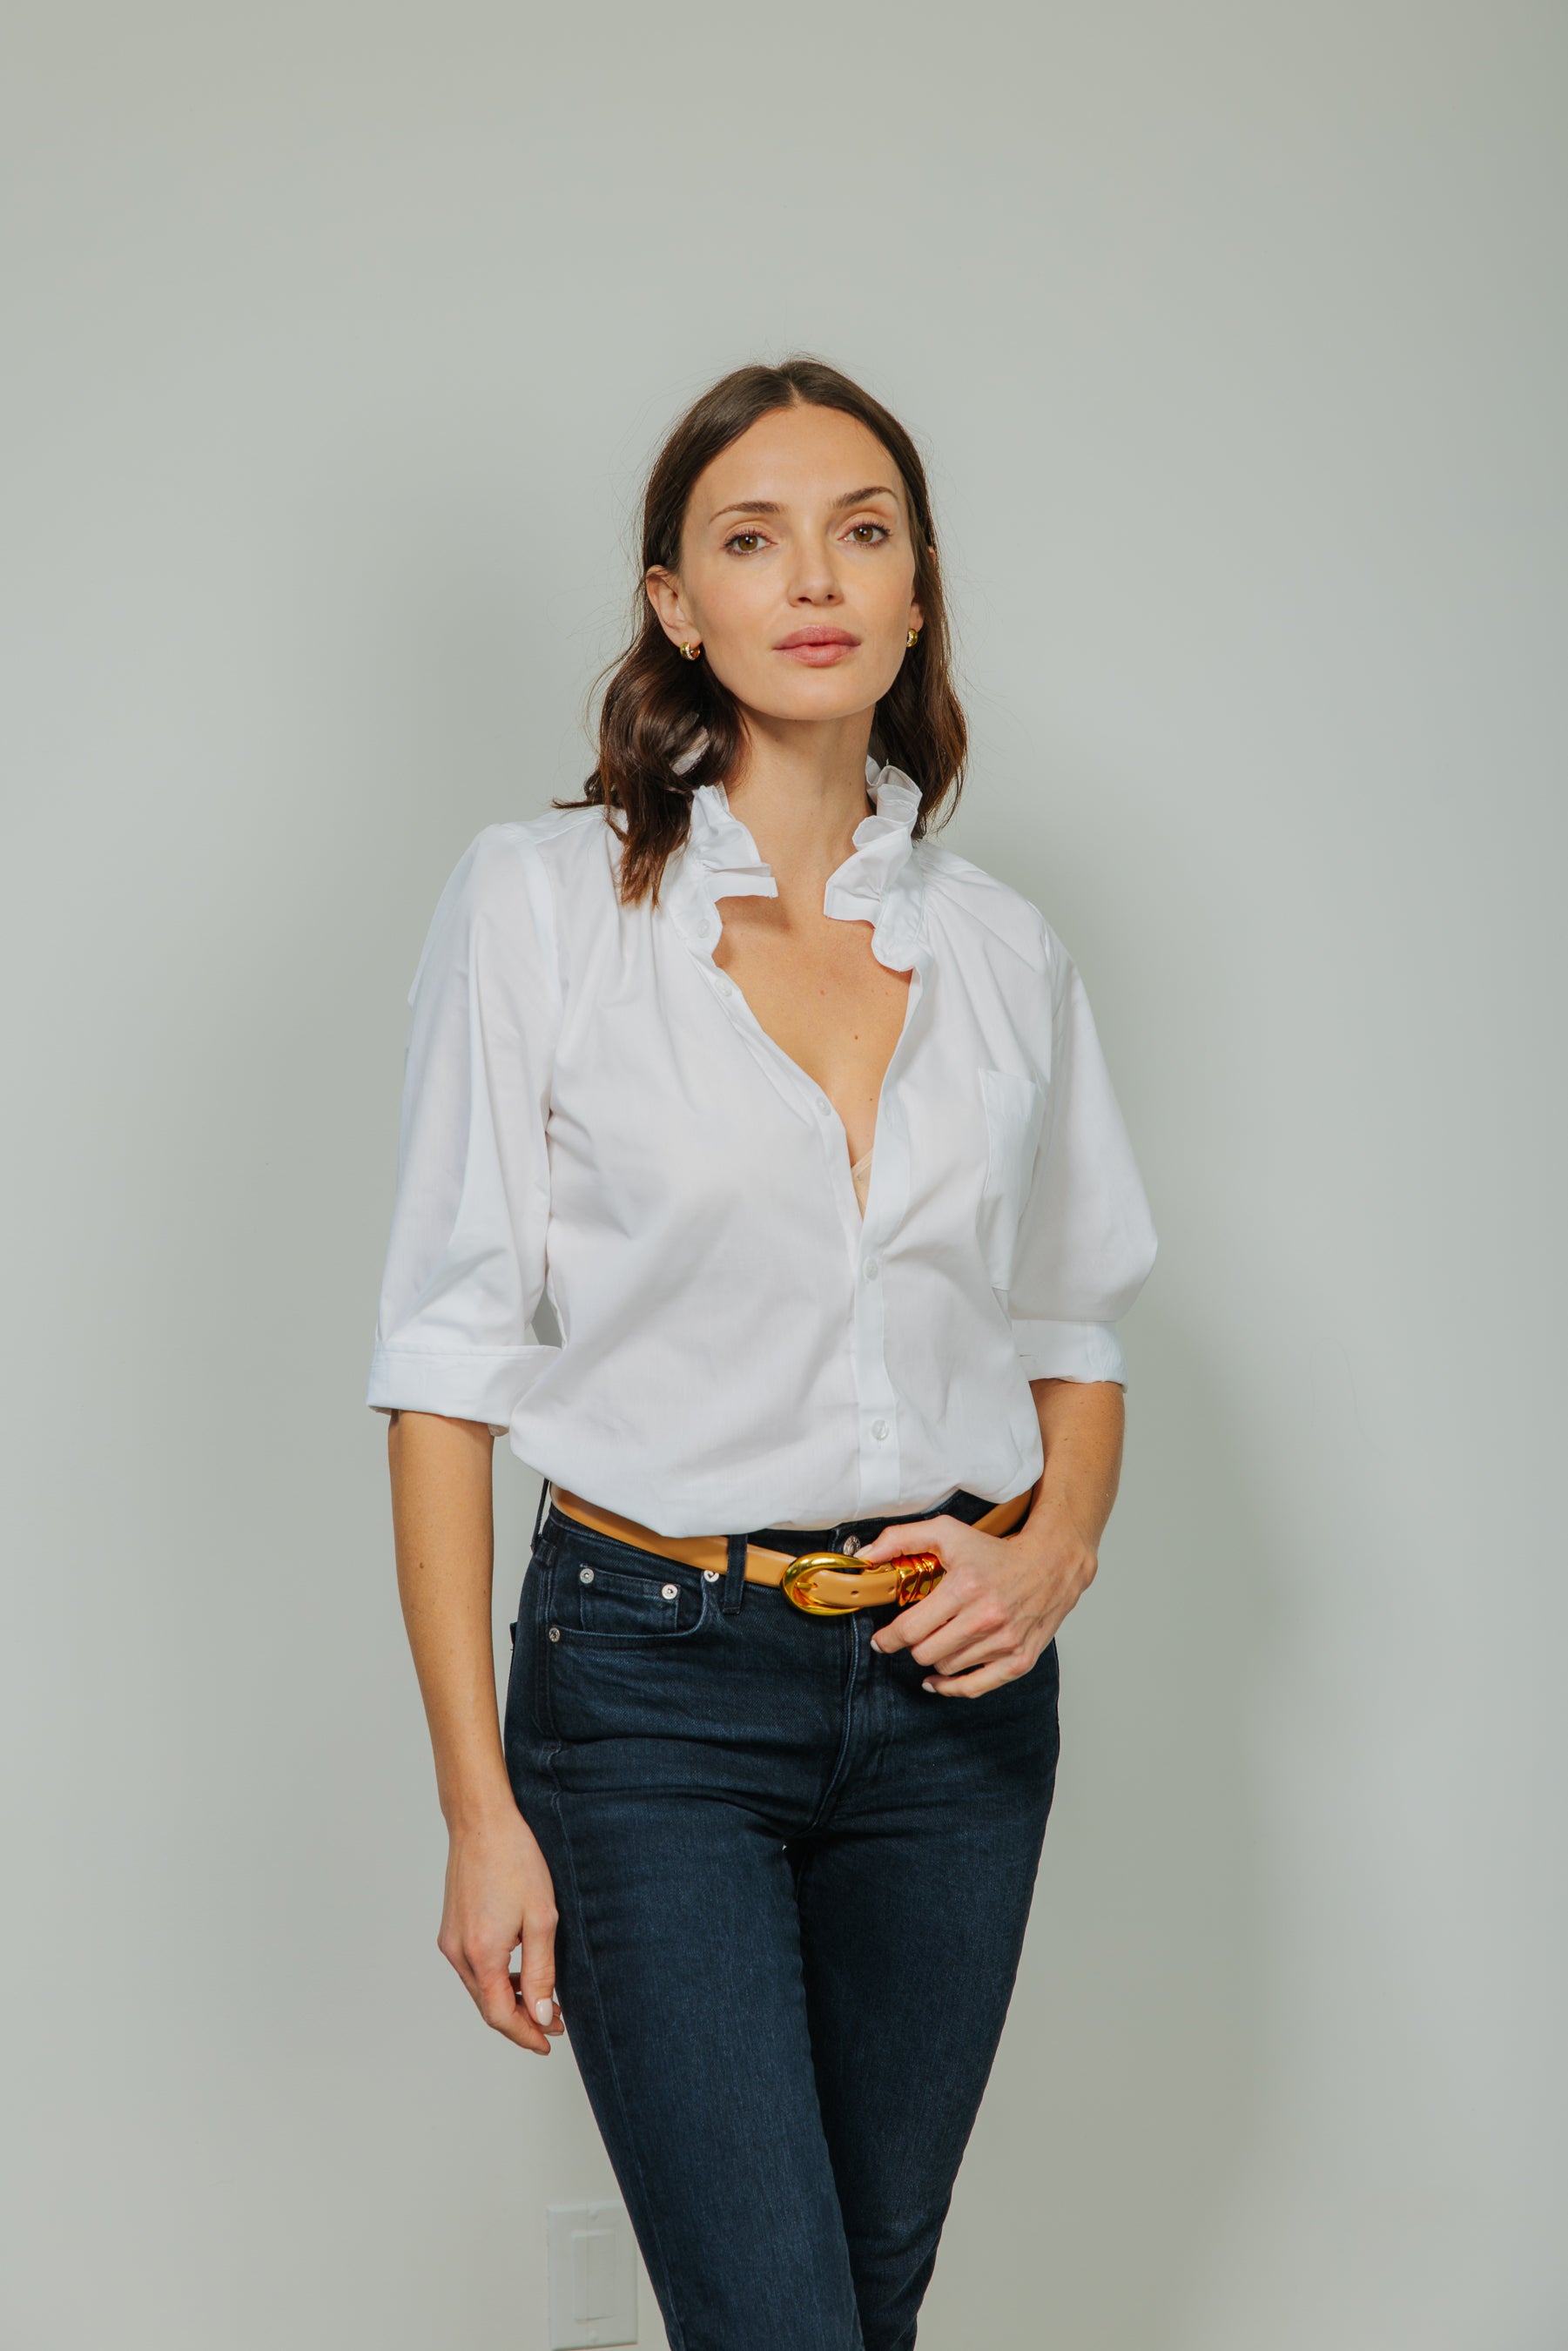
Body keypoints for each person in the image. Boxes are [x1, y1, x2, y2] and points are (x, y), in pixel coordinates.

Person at [366, 357, 1157, 2351]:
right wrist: (478, 1808)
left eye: (862, 530)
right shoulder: (543, 908)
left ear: (914, 592)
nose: (814, 576)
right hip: (648, 1686)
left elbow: (1068, 1323)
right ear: (675, 602)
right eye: (752, 536)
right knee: (777, 2324)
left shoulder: (1003, 953)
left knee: (861, 2310)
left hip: (951, 1713)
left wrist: (1052, 1550)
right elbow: (446, 1363)